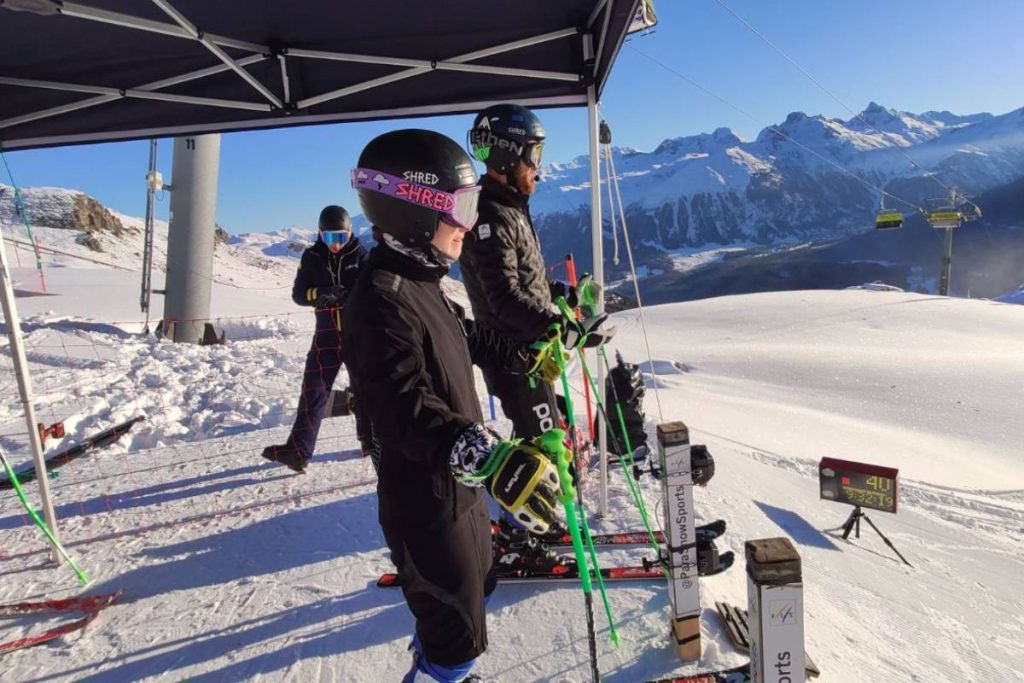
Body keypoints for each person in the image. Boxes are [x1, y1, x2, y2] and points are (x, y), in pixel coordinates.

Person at [342, 129, 571, 683]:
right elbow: (400, 405)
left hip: (459, 493)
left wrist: (524, 354)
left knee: (474, 597)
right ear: (416, 210)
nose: (469, 225)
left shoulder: (418, 281)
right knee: (456, 640)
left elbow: (463, 334)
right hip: (424, 504)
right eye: (461, 208)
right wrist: (486, 457)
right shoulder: (378, 300)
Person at [460, 103, 613, 572]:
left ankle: (541, 517)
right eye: (533, 154)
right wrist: (559, 328)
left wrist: (563, 296)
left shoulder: (509, 207)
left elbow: (528, 281)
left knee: (546, 436)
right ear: (508, 156)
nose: (538, 167)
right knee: (540, 442)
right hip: (512, 355)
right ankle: (518, 533)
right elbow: (504, 299)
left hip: (528, 350)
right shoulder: (488, 216)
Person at [262, 205, 370, 473]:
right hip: (326, 335)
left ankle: (372, 442)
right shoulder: (312, 256)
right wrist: (320, 293)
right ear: (320, 234)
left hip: (358, 333)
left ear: (350, 234)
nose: (335, 245)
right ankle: (299, 452)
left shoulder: (361, 253)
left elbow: (372, 289)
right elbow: (299, 294)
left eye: (341, 238)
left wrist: (347, 295)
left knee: (366, 390)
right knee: (313, 391)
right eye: (329, 238)